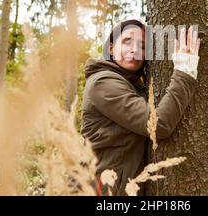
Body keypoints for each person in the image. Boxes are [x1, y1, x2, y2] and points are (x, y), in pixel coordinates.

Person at [81, 19, 200, 195]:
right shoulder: (103, 82)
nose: (134, 50)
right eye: (127, 41)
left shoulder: (131, 85)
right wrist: (184, 71)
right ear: (112, 48)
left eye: (142, 46)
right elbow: (158, 125)